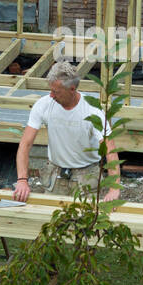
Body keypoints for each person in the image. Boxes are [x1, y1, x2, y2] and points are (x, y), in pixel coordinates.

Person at [13, 61, 121, 202]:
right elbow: (25, 144)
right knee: (52, 219)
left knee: (86, 219)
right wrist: (22, 180)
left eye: (56, 92)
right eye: (50, 90)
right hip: (55, 173)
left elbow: (110, 149)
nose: (51, 95)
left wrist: (114, 189)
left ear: (72, 89)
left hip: (86, 175)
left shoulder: (92, 110)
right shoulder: (44, 105)